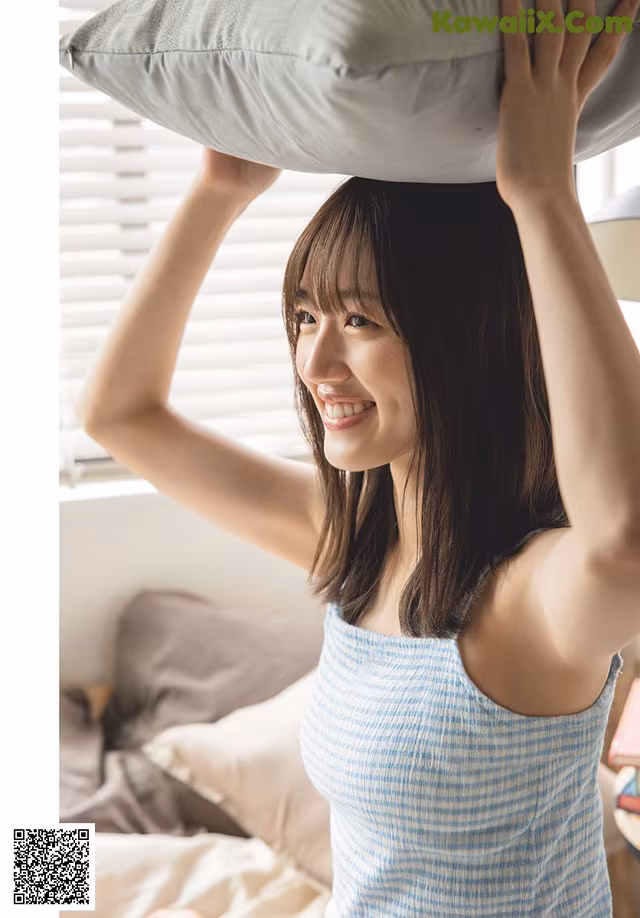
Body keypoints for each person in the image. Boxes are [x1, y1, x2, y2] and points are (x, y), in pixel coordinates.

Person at [78, 0, 640, 913]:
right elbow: (119, 415)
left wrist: (543, 197)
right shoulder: (352, 539)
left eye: (360, 320)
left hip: (247, 841)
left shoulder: (537, 601)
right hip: (204, 818)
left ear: (464, 344)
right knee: (37, 865)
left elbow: (624, 537)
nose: (314, 362)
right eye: (305, 315)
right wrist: (218, 189)